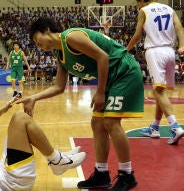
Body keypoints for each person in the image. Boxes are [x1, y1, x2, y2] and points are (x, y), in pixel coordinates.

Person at [16, 17, 144, 191]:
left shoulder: (71, 37)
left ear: (46, 30)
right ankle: (101, 173)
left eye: (37, 39)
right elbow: (59, 87)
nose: (38, 45)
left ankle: (127, 175)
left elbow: (103, 57)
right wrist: (34, 98)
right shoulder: (60, 54)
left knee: (111, 122)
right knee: (97, 123)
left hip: (123, 71)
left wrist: (99, 92)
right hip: (111, 78)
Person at [126, 0, 184, 145]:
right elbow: (179, 27)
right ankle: (155, 127)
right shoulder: (169, 8)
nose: (138, 5)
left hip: (155, 52)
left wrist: (125, 49)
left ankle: (175, 127)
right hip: (170, 52)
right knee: (159, 91)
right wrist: (182, 45)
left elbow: (138, 35)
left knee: (158, 91)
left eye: (137, 2)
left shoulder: (144, 11)